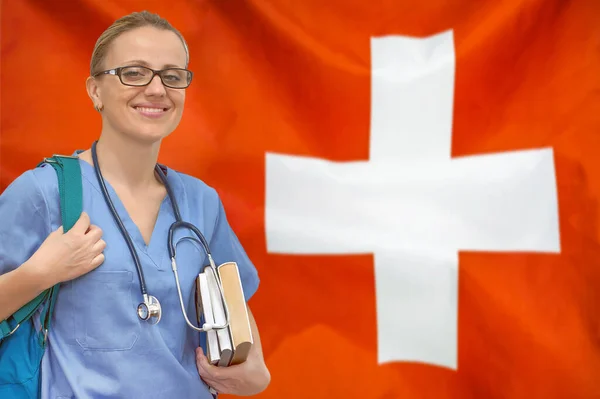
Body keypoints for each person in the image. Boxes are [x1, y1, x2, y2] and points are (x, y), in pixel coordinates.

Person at [0, 10, 270, 398]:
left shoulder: (200, 202)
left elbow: (235, 305)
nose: (157, 89)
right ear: (95, 90)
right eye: (134, 72)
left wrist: (256, 371)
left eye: (172, 76)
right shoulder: (47, 193)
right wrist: (40, 274)